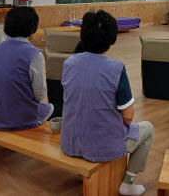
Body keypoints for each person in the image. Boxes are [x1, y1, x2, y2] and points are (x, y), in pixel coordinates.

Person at [61, 10, 154, 196]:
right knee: (148, 128)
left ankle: (82, 168)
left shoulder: (69, 63)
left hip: (70, 141)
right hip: (103, 146)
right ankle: (128, 183)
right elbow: (128, 118)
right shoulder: (116, 68)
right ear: (112, 39)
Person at [0, 7, 53, 131]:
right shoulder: (34, 53)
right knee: (56, 106)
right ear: (32, 28)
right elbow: (39, 93)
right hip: (21, 119)